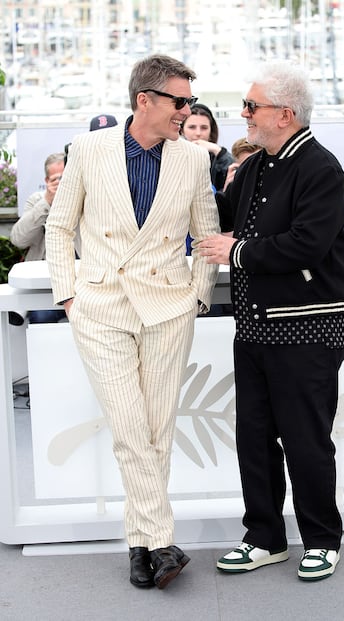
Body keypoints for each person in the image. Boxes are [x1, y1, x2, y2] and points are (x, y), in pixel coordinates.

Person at [45, 54, 220, 590]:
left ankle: (140, 547)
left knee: (156, 430)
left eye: (190, 101)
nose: (187, 110)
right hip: (101, 307)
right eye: (179, 101)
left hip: (169, 307)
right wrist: (68, 296)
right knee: (129, 427)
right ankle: (163, 538)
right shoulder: (89, 149)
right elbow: (60, 228)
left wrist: (198, 297)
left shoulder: (191, 159)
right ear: (145, 100)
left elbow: (206, 233)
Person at [199, 59, 344, 581]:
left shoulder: (320, 167)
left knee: (306, 437)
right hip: (257, 327)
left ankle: (322, 540)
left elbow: (307, 244)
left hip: (308, 328)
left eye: (251, 106)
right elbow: (225, 216)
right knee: (255, 436)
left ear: (284, 114)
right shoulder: (260, 164)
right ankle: (264, 536)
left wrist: (237, 252)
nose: (243, 114)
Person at [10, 152, 68, 323]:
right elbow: (18, 239)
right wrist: (47, 202)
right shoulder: (37, 200)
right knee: (41, 316)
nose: (60, 183)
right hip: (44, 284)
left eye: (64, 178)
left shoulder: (86, 198)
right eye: (55, 179)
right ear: (46, 182)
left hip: (79, 284)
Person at [180, 102, 234, 191]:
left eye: (204, 128)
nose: (198, 133)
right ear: (182, 130)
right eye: (192, 127)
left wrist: (219, 151)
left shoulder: (219, 159)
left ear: (211, 131)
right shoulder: (173, 155)